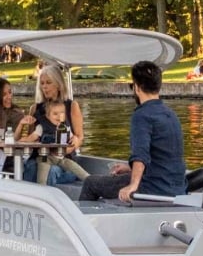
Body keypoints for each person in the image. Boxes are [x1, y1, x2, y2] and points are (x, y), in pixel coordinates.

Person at [80, 60, 187, 203]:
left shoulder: (142, 115)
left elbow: (140, 155)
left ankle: (83, 223)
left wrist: (133, 185)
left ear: (137, 87)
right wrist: (129, 168)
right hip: (177, 188)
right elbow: (162, 157)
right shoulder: (171, 114)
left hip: (152, 187)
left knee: (90, 183)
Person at [24, 99, 90, 186]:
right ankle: (42, 190)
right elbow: (30, 138)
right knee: (42, 175)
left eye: (62, 113)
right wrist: (17, 140)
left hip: (60, 158)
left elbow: (73, 141)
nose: (59, 116)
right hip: (45, 157)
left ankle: (91, 180)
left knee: (72, 165)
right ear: (48, 116)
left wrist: (75, 139)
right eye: (55, 114)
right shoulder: (41, 127)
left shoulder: (66, 128)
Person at [30, 62, 85, 157]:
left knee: (56, 170)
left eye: (48, 82)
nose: (44, 87)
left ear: (58, 85)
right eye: (42, 83)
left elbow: (80, 137)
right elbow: (30, 139)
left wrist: (71, 146)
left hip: (65, 157)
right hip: (42, 157)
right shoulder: (35, 109)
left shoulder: (72, 106)